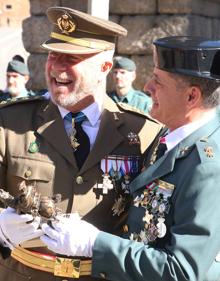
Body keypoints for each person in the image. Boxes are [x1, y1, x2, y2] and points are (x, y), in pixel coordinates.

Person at [0, 6, 162, 281]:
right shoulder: (9, 122)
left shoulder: (143, 133)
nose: (57, 67)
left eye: (72, 57)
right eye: (53, 54)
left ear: (105, 67)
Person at [40, 36, 220, 281]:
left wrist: (95, 244)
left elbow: (181, 271)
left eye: (158, 81)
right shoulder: (169, 137)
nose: (147, 87)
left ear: (191, 97)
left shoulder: (207, 166)